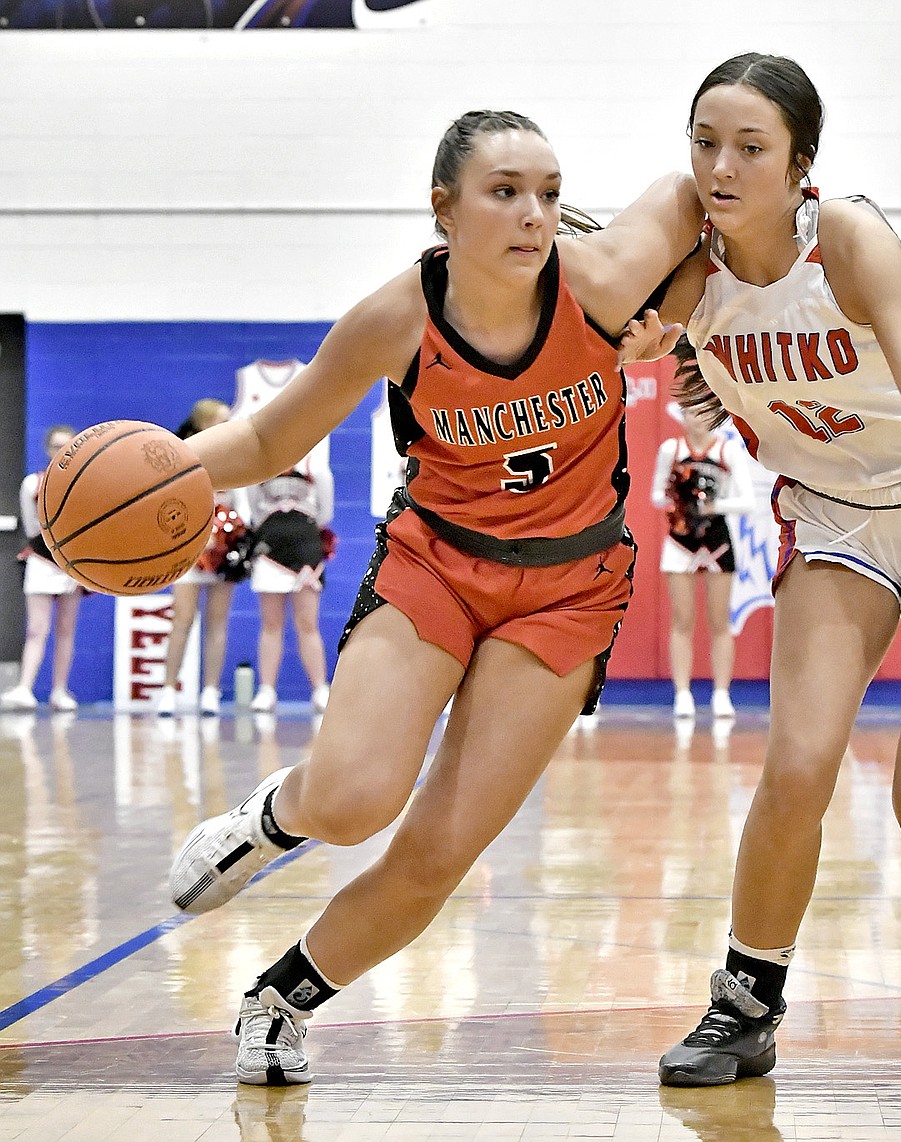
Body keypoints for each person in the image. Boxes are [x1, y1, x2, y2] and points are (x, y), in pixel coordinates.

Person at [165, 109, 702, 1085]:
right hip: (438, 564)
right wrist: (165, 470)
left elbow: (688, 198)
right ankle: (273, 817)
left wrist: (677, 308)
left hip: (569, 591)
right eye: (504, 191)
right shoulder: (395, 319)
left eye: (547, 190)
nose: (534, 213)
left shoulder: (596, 283)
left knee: (437, 850)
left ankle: (280, 998)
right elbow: (262, 443)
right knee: (354, 795)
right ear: (442, 208)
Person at [624, 54, 901, 1087]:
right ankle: (743, 1002)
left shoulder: (849, 239)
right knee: (796, 760)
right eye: (703, 142)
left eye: (749, 147)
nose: (720, 166)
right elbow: (615, 334)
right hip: (832, 516)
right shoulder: (685, 266)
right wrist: (621, 344)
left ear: (801, 166)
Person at [651, 336, 755, 720]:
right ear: (681, 412)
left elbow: (746, 501)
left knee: (718, 619)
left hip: (717, 539)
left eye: (702, 409)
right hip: (679, 540)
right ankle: (682, 694)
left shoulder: (728, 451)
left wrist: (712, 504)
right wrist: (677, 497)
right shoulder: (670, 451)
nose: (696, 416)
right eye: (689, 409)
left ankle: (722, 693)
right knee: (682, 618)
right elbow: (656, 497)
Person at [157, 399, 252, 717]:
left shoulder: (236, 455)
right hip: (188, 545)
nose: (227, 426)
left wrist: (237, 534)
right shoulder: (181, 453)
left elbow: (243, 500)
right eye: (221, 421)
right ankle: (168, 689)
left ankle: (210, 690)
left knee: (217, 621)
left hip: (222, 546)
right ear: (202, 424)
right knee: (182, 619)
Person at [245, 442, 334, 714]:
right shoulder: (260, 466)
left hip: (305, 549)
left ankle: (320, 688)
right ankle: (266, 690)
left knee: (307, 623)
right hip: (270, 549)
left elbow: (325, 513)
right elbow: (254, 510)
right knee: (270, 623)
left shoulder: (315, 467)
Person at [2, 425, 84, 713]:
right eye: (55, 446)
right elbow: (31, 525)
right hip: (41, 559)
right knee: (37, 628)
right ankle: (25, 688)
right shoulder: (32, 484)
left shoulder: (85, 484)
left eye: (68, 445)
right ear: (47, 449)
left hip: (72, 565)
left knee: (66, 629)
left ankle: (60, 690)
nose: (60, 451)